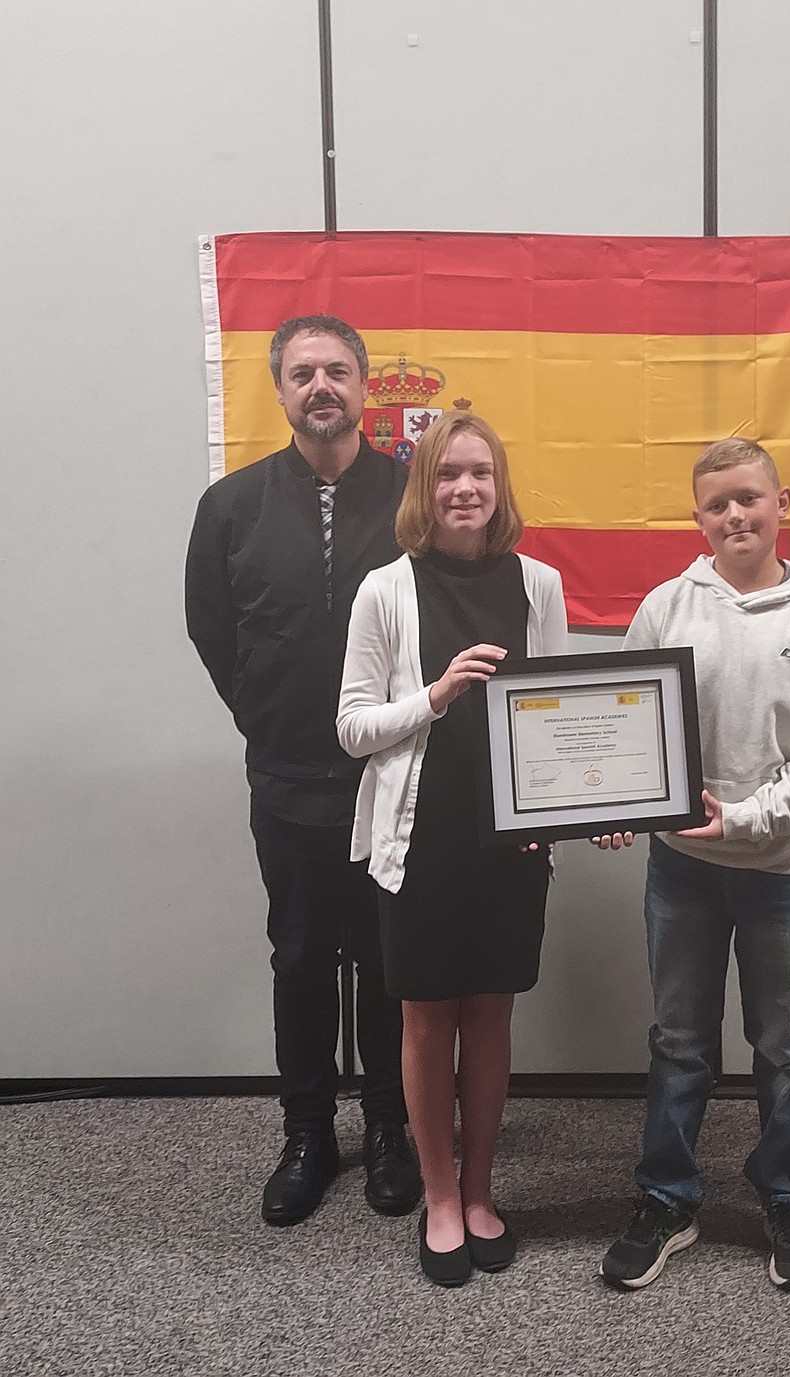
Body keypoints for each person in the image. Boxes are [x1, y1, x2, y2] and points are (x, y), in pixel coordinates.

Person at [599, 437, 790, 1294]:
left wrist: (744, 817)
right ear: (698, 516)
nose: (734, 516)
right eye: (716, 504)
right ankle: (668, 1198)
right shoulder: (668, 606)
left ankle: (787, 1193)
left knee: (784, 1043)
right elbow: (622, 721)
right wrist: (617, 804)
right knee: (679, 1040)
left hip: (784, 867)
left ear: (780, 500)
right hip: (682, 868)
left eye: (748, 498)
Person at [185, 314, 421, 1227]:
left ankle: (393, 1129)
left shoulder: (413, 494)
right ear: (279, 390)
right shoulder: (232, 506)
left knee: (388, 958)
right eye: (301, 373)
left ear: (365, 385)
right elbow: (214, 628)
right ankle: (309, 1134)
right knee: (299, 957)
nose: (320, 386)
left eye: (336, 371)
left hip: (394, 774)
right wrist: (260, 713)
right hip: (286, 775)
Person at [336, 410, 568, 1287]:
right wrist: (433, 696)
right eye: (446, 474)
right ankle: (438, 1197)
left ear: (500, 485)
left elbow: (565, 716)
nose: (465, 488)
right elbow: (354, 726)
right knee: (428, 1019)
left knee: (493, 1015)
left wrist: (588, 805)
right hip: (420, 840)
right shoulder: (383, 589)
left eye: (480, 472)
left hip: (510, 844)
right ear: (422, 489)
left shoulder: (539, 583)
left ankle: (479, 1190)